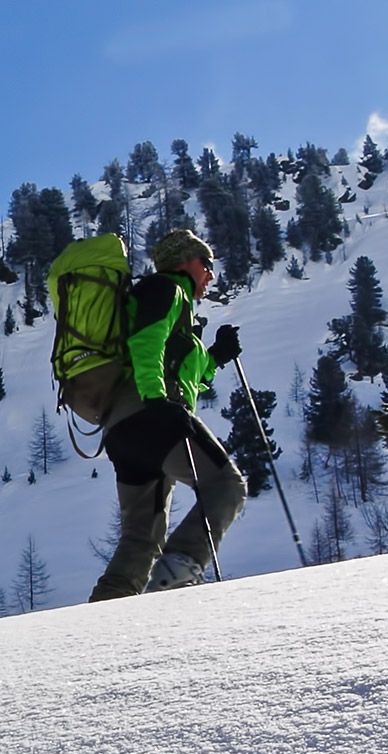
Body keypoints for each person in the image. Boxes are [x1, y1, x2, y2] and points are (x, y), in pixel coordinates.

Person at [89, 229, 247, 600]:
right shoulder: (167, 289)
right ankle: (177, 577)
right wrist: (156, 399)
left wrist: (215, 358)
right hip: (152, 416)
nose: (210, 274)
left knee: (140, 537)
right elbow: (146, 342)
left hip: (122, 430)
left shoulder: (166, 302)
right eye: (206, 264)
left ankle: (102, 618)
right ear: (185, 262)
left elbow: (181, 371)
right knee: (226, 487)